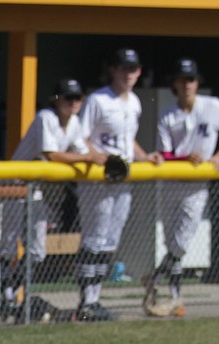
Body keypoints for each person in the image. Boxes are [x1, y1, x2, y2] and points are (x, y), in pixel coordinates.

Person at [0, 79, 106, 319]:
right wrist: (89, 159)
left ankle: (11, 293)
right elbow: (51, 155)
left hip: (34, 190)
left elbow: (81, 152)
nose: (74, 103)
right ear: (56, 100)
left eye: (78, 98)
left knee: (37, 250)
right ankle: (3, 298)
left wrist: (100, 157)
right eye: (69, 98)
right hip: (13, 184)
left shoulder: (75, 123)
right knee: (7, 247)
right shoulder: (45, 117)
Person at [148, 58, 219, 317]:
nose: (187, 84)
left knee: (181, 243)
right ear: (174, 84)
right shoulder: (169, 115)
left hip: (197, 185)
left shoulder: (212, 106)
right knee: (171, 242)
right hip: (171, 182)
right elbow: (164, 153)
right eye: (182, 79)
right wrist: (182, 158)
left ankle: (155, 280)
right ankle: (175, 297)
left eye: (191, 79)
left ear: (197, 82)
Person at [74, 48, 163, 322]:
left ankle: (95, 299)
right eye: (123, 68)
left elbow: (128, 140)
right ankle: (86, 302)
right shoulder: (98, 100)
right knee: (94, 238)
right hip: (98, 180)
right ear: (112, 70)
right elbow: (79, 137)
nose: (129, 74)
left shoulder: (134, 102)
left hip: (123, 179)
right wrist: (100, 158)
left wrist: (144, 155)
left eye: (133, 69)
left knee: (111, 241)